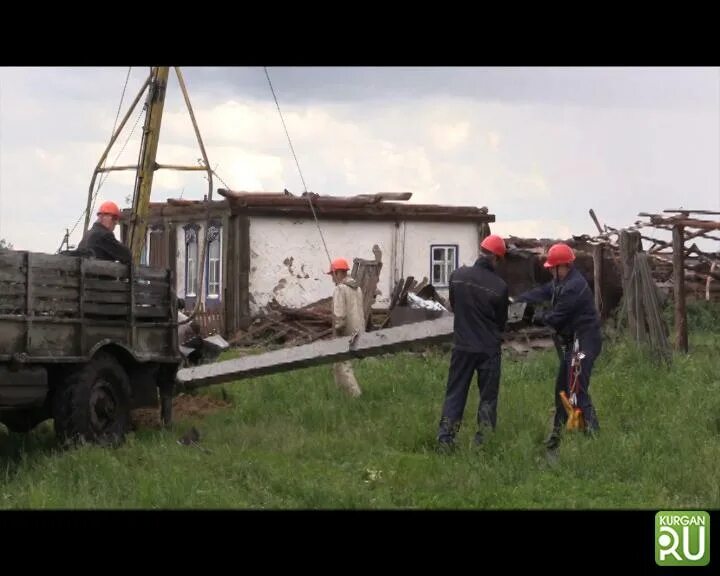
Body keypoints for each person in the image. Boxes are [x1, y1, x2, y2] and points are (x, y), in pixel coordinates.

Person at [515, 242, 602, 451]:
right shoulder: (561, 281)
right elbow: (542, 292)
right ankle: (557, 435)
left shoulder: (573, 287)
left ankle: (593, 436)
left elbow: (556, 317)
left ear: (562, 266)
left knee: (576, 388)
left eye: (553, 268)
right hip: (575, 342)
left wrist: (535, 317)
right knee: (562, 389)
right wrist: (517, 300)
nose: (551, 272)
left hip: (584, 342)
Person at [437, 234, 509, 452]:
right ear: (496, 258)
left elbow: (454, 305)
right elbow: (501, 322)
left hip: (462, 346)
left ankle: (446, 440)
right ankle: (483, 443)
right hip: (488, 349)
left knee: (455, 393)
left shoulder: (457, 276)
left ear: (481, 252)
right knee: (487, 398)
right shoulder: (500, 287)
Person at [328, 257, 364, 398]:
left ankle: (356, 396)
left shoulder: (340, 289)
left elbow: (339, 315)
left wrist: (337, 329)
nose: (332, 278)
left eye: (332, 274)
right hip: (358, 330)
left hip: (345, 331)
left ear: (338, 273)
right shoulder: (358, 288)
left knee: (343, 363)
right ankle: (340, 393)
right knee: (337, 363)